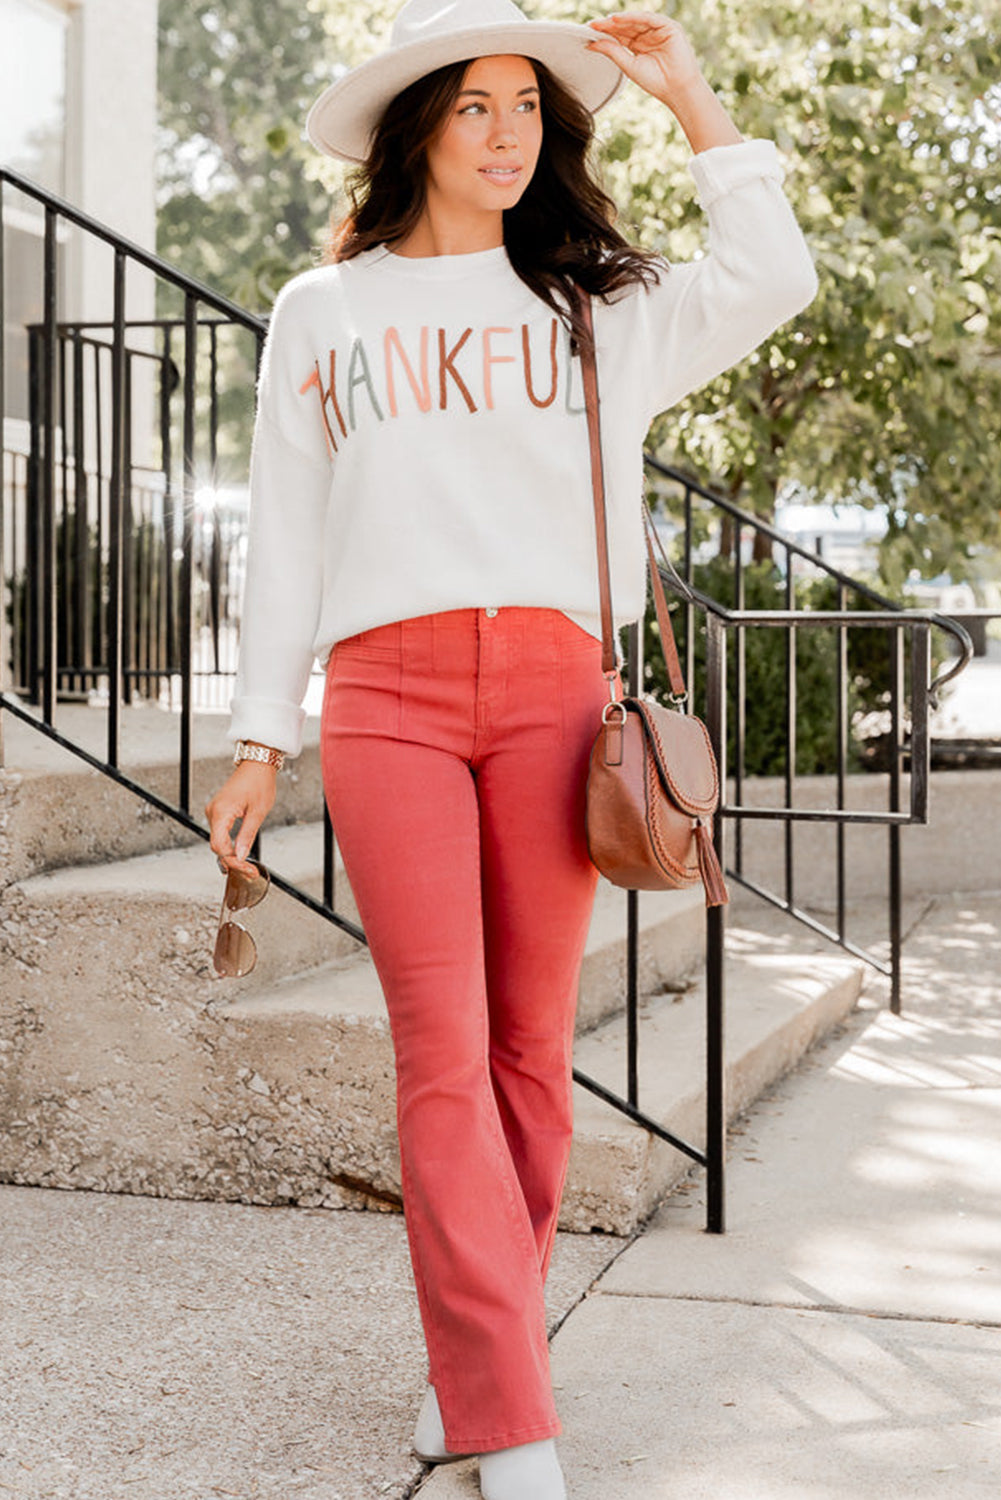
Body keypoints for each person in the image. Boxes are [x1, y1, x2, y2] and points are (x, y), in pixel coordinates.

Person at [205, 2, 818, 1495]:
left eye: (527, 109)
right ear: (417, 128)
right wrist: (253, 737)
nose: (505, 133)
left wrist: (686, 95)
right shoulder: (322, 312)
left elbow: (773, 273)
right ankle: (508, 1411)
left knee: (532, 1054)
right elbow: (283, 541)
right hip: (389, 698)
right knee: (439, 1052)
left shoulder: (589, 300)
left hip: (553, 696)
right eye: (474, 107)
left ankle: (484, 1373)